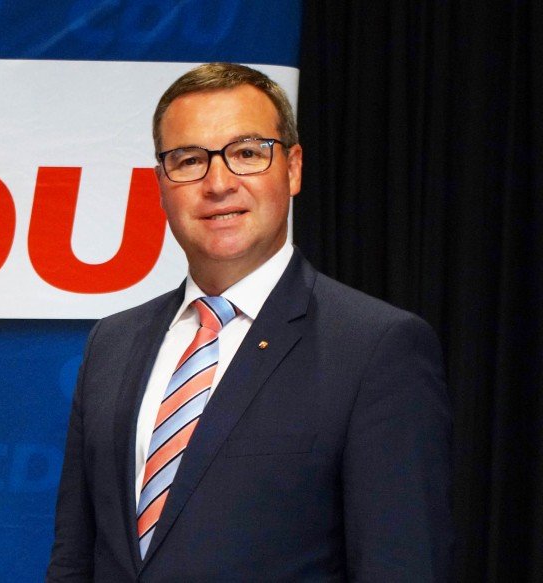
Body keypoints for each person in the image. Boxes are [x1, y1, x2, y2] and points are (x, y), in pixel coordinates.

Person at [46, 63, 451, 581]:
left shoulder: (377, 348)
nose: (218, 184)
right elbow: (74, 559)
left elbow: (402, 565)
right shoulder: (113, 342)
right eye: (189, 160)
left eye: (246, 153)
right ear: (161, 184)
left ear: (293, 169)